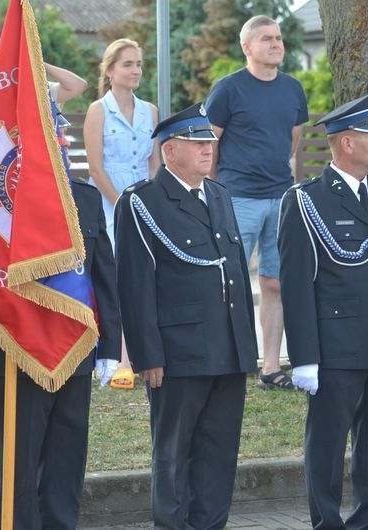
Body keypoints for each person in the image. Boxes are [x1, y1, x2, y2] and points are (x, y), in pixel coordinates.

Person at [0, 61, 118, 530]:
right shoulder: (0, 200)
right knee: (20, 456)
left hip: (75, 344)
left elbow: (103, 278)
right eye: (50, 130)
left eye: (60, 130)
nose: (60, 137)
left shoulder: (86, 198)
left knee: (67, 452)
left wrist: (109, 348)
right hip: (18, 345)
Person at [279, 93, 368, 530]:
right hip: (335, 345)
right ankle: (326, 522)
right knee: (327, 441)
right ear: (346, 142)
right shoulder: (307, 200)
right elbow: (296, 284)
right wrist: (304, 356)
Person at [115, 103, 258, 529]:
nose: (207, 149)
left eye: (209, 142)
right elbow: (135, 286)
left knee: (220, 450)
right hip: (179, 351)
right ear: (169, 150)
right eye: (196, 143)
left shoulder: (219, 194)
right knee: (174, 452)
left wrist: (246, 347)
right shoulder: (143, 202)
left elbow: (234, 272)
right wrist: (147, 355)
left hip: (227, 347)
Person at [205, 15, 308, 390]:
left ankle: (271, 367)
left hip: (280, 198)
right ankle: (226, 363)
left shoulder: (293, 89)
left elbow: (292, 141)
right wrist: (217, 191)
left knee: (275, 284)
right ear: (247, 46)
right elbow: (210, 144)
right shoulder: (228, 89)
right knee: (228, 283)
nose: (276, 44)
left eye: (278, 38)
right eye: (267, 38)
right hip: (238, 198)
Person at [84, 38, 161, 389]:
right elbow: (96, 168)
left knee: (143, 279)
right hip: (109, 203)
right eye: (128, 64)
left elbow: (154, 163)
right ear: (110, 70)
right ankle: (119, 360)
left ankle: (145, 355)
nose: (136, 70)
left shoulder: (151, 111)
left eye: (139, 64)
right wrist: (121, 205)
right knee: (114, 282)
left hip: (143, 201)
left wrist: (151, 202)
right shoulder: (98, 110)